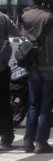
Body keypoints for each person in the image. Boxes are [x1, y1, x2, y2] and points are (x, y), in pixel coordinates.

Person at [19, 0, 53, 153]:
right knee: (45, 107)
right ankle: (41, 143)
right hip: (50, 67)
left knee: (33, 105)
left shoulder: (26, 15)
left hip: (32, 66)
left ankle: (27, 142)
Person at [0, 10, 19, 149]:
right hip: (1, 66)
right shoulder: (3, 17)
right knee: (4, 102)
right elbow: (16, 32)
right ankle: (6, 136)